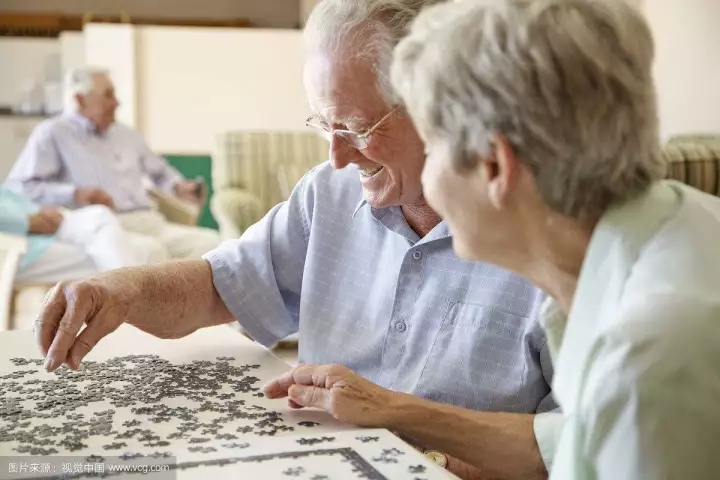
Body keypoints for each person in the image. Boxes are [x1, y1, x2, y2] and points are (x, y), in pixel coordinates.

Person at [33, 1, 561, 478]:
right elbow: (223, 285)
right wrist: (123, 289)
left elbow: (584, 450)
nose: (336, 158)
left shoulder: (551, 236)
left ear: (442, 106)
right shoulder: (328, 192)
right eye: (322, 124)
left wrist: (426, 459)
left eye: (355, 127)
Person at [262, 0, 720, 478]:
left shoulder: (649, 356)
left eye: (433, 146)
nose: (425, 178)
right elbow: (572, 444)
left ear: (494, 167)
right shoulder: (651, 242)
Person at [4, 66, 220, 260]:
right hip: (106, 227)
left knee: (212, 244)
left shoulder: (126, 134)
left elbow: (160, 172)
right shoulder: (53, 133)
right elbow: (23, 188)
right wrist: (75, 193)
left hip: (150, 221)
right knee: (149, 252)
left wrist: (178, 186)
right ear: (80, 99)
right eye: (108, 95)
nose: (116, 102)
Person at [0, 187, 167, 284]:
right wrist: (25, 221)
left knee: (100, 217)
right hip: (15, 244)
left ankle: (131, 297)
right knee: (140, 251)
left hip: (40, 222)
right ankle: (131, 302)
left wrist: (38, 212)